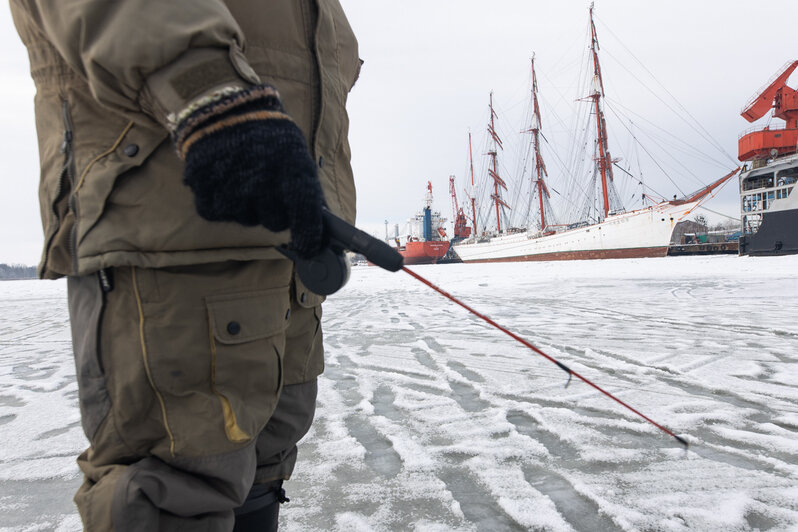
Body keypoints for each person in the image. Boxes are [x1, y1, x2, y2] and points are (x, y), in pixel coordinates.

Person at [10, 1, 361, 530]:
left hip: (287, 227)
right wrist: (207, 91)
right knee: (178, 480)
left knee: (265, 454)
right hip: (171, 222)